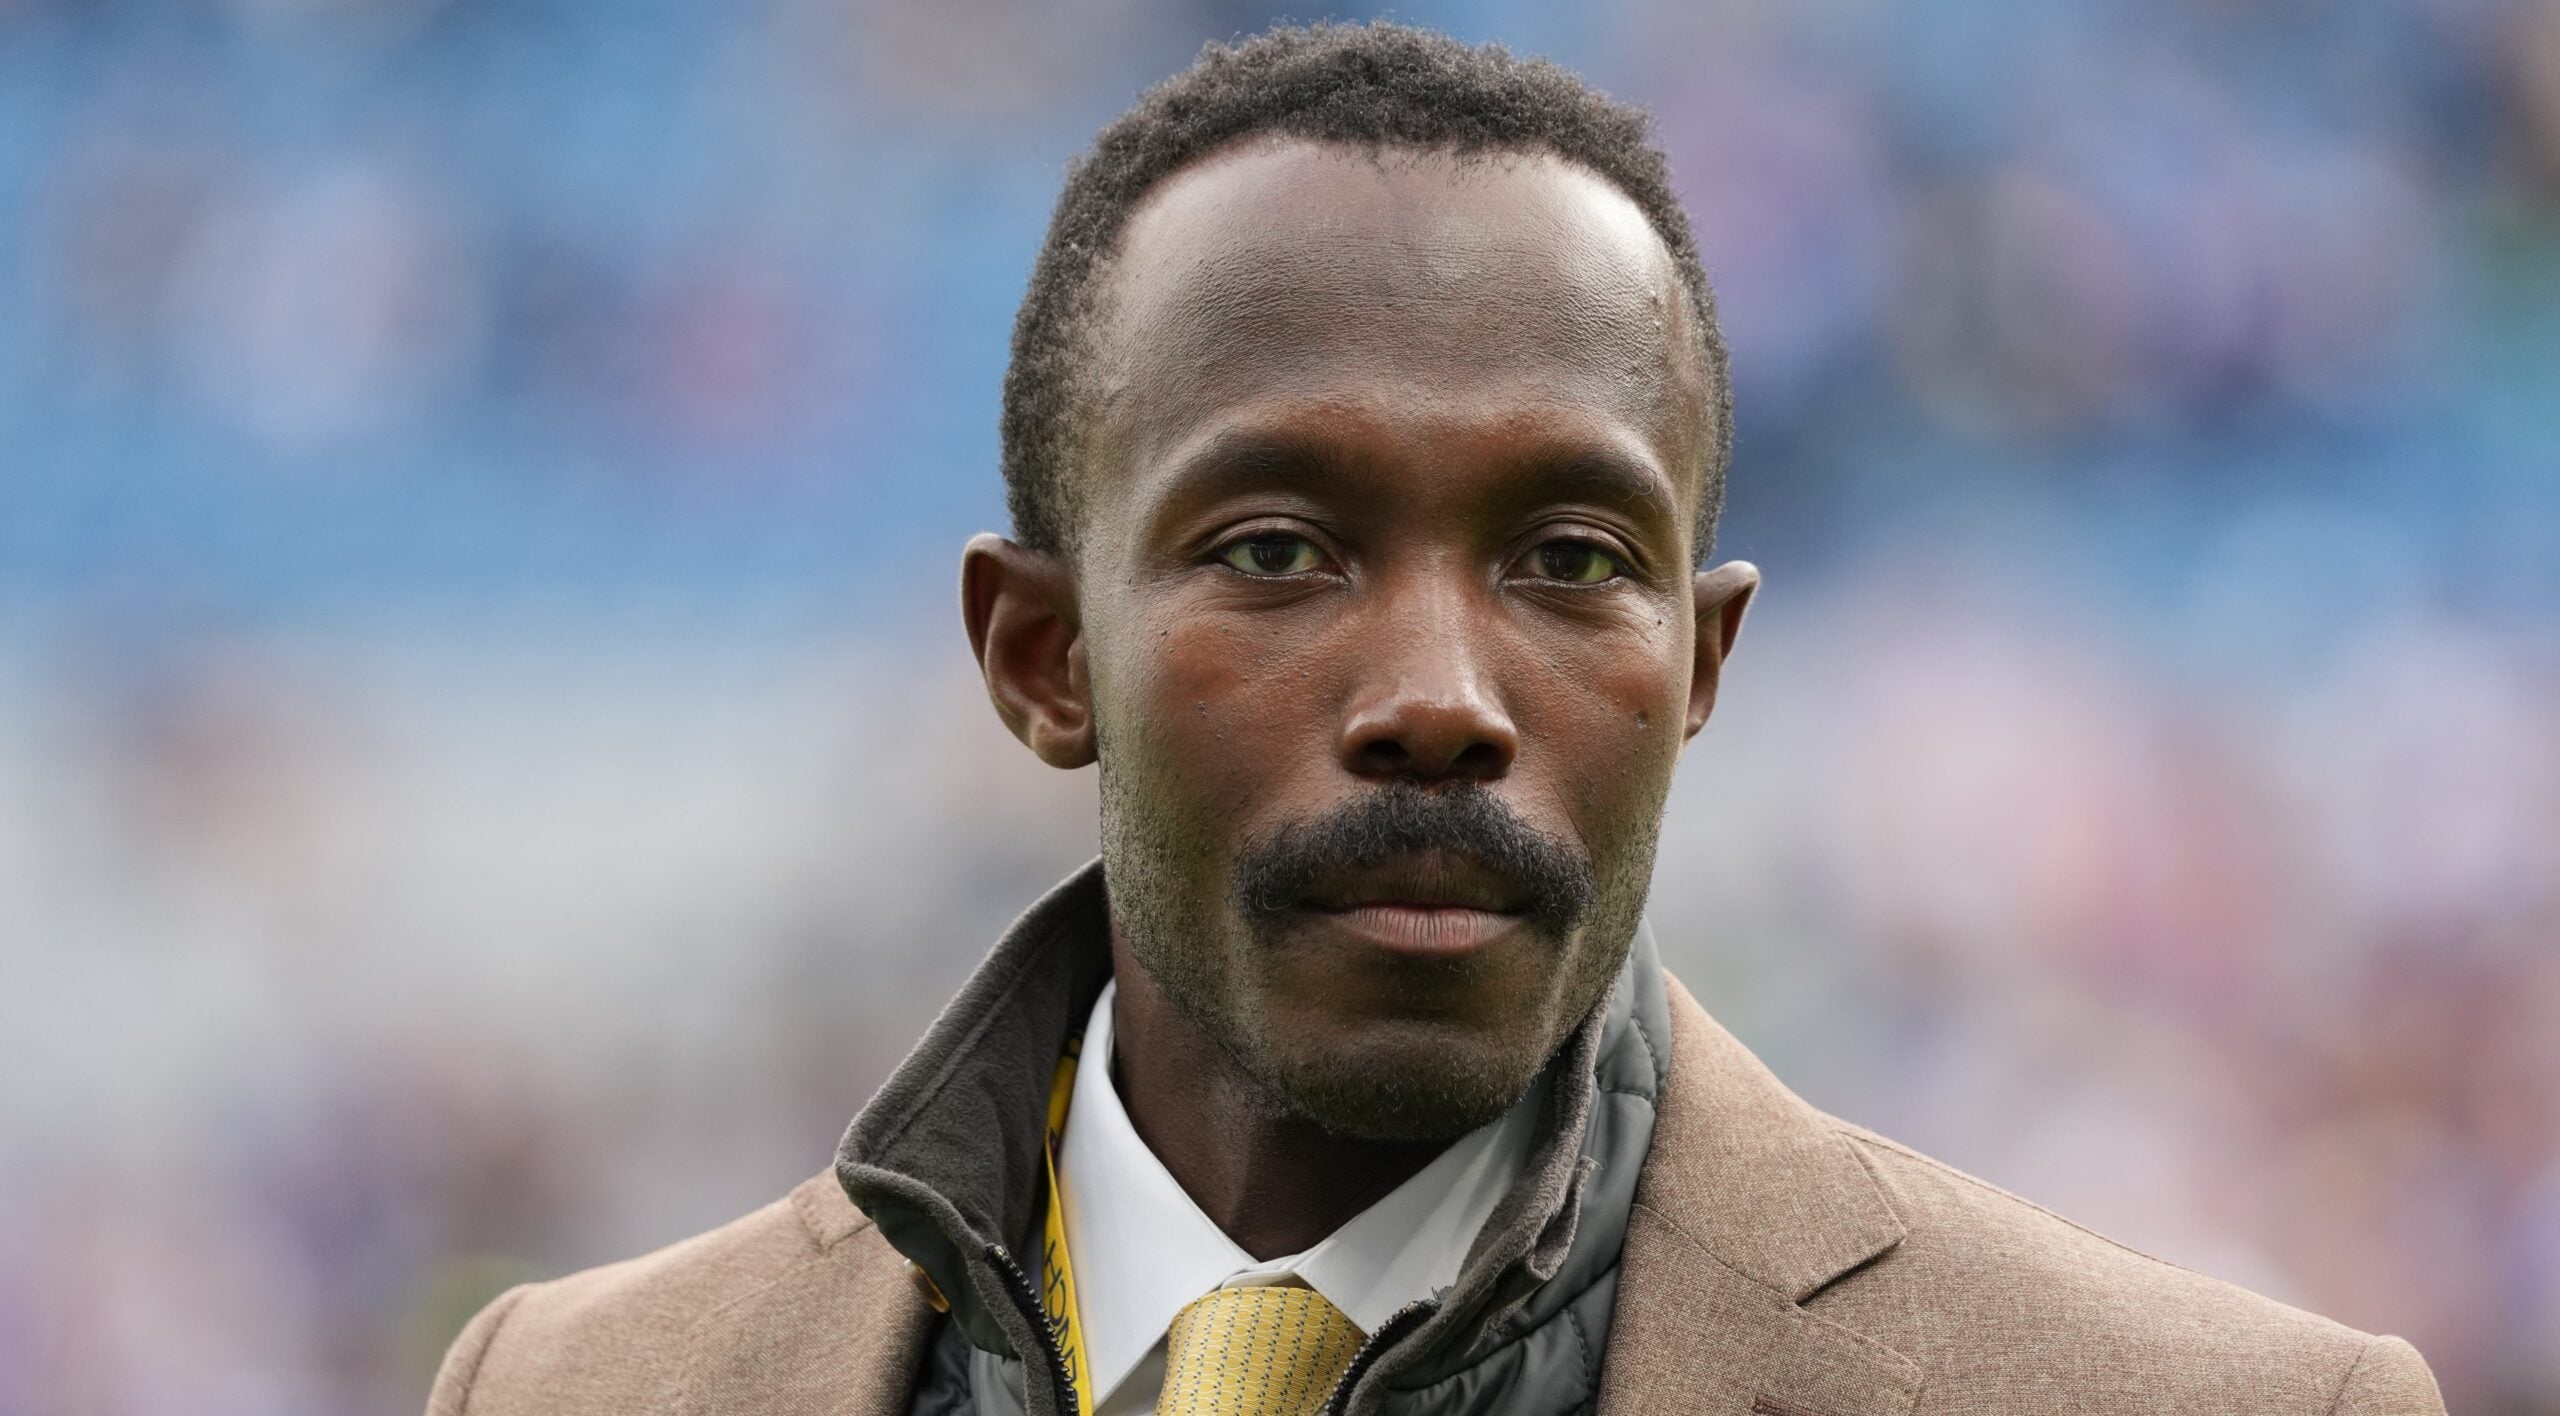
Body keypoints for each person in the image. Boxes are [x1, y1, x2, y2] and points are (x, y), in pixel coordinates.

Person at [426, 22, 2444, 1416]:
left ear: (1702, 672)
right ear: (1042, 659)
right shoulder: (573, 1387)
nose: (1437, 703)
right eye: (1281, 550)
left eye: (1569, 561)